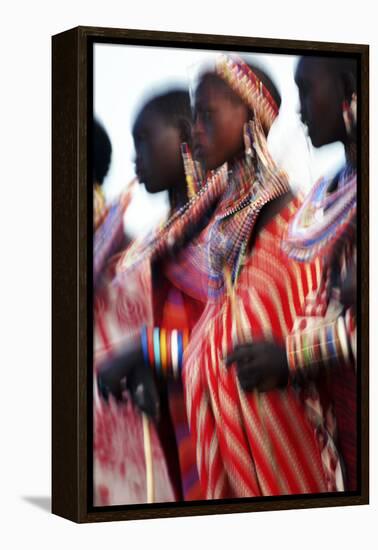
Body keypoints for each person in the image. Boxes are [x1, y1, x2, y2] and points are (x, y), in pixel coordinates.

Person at [99, 54, 332, 499]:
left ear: (248, 114)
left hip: (281, 445)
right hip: (220, 447)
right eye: (194, 117)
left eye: (207, 116)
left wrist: (148, 352)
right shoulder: (222, 229)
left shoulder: (284, 218)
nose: (196, 133)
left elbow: (281, 328)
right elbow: (211, 339)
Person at [94, 89, 228, 503]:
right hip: (177, 424)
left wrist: (144, 351)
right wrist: (143, 366)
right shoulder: (157, 242)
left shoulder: (221, 228)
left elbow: (222, 347)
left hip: (222, 430)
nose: (135, 159)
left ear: (187, 135)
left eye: (144, 140)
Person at [237, 56, 357, 490]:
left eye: (307, 89)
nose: (301, 109)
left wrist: (289, 357)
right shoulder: (333, 190)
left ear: (349, 87)